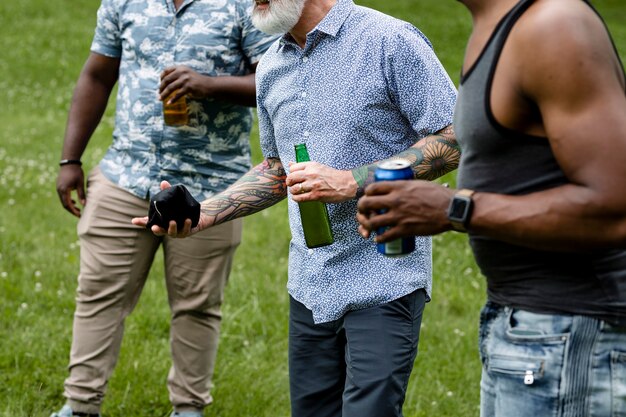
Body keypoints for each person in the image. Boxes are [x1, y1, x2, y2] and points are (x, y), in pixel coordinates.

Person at [134, 0, 458, 415]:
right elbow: (277, 170)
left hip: (385, 274)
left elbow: (452, 137)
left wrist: (352, 181)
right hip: (311, 283)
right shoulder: (270, 65)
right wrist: (204, 214)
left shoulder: (388, 40)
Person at [356, 0, 626, 415]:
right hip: (521, 326)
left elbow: (615, 207)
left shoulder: (553, 25)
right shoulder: (493, 26)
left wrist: (454, 208)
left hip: (571, 331)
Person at [51, 1, 277, 416]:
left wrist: (210, 85)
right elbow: (98, 75)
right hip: (125, 176)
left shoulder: (247, 4)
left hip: (210, 188)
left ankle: (188, 408)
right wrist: (71, 160)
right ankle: (79, 405)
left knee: (197, 303)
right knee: (98, 295)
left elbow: (278, 78)